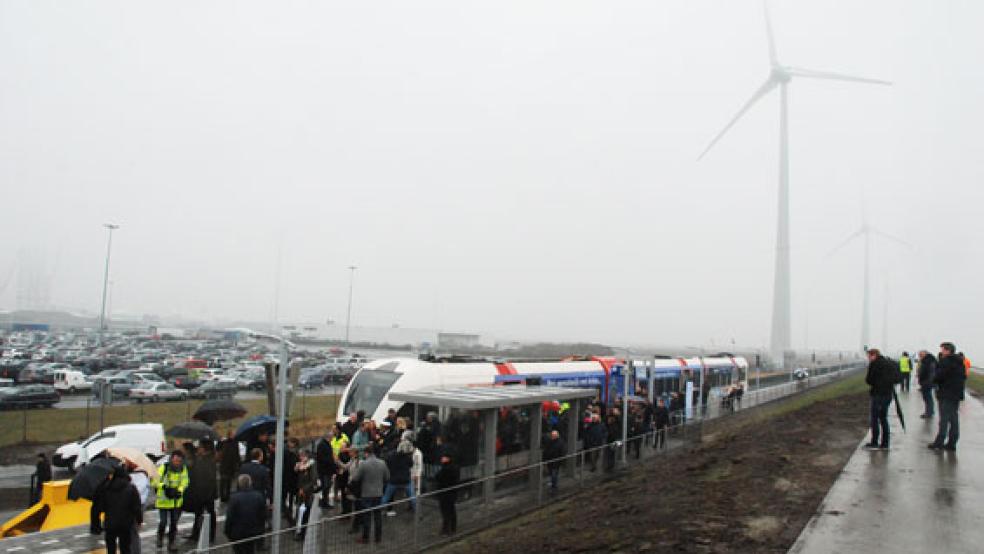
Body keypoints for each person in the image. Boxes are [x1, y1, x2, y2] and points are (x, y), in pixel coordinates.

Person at [929, 342, 966, 451]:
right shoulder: (960, 362)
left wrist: (934, 378)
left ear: (948, 350)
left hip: (946, 393)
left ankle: (939, 442)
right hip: (956, 394)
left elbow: (939, 376)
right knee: (954, 418)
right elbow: (964, 377)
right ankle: (952, 443)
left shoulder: (946, 361)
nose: (941, 351)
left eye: (943, 349)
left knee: (944, 419)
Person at [349, 445, 389, 544]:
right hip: (378, 493)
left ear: (366, 453)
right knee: (377, 516)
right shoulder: (382, 463)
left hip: (366, 494)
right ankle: (378, 537)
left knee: (367, 516)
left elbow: (356, 478)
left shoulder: (364, 464)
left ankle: (366, 537)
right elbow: (387, 477)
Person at [102, 467, 143, 554]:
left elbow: (102, 505)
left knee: (111, 548)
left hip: (110, 523)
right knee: (125, 548)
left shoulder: (106, 487)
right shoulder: (131, 488)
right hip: (125, 523)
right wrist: (139, 520)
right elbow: (136, 507)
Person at [155, 451, 190, 552]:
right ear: (171, 459)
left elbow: (185, 481)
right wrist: (164, 487)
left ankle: (171, 543)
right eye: (175, 460)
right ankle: (160, 536)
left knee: (174, 523)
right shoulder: (164, 467)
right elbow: (154, 481)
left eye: (179, 461)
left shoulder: (183, 469)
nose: (177, 463)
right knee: (163, 522)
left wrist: (179, 491)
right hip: (163, 501)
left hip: (175, 501)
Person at [864, 348, 896, 450]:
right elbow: (895, 378)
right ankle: (885, 443)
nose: (868, 358)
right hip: (888, 394)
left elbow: (869, 380)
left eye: (869, 356)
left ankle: (874, 442)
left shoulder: (874, 364)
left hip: (877, 394)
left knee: (874, 419)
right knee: (883, 418)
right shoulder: (889, 363)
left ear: (873, 355)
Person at [225, 475, 266, 554]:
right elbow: (263, 516)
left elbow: (230, 517)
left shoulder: (234, 498)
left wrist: (228, 532)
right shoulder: (258, 496)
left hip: (238, 533)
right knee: (250, 550)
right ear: (250, 483)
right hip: (253, 532)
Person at [185, 442, 217, 544]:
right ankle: (196, 534)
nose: (198, 449)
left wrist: (207, 494)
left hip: (205, 493)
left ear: (204, 449)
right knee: (199, 513)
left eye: (199, 447)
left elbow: (210, 479)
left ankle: (209, 535)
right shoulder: (201, 459)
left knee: (208, 513)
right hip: (201, 492)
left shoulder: (208, 461)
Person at [381, 439, 415, 515]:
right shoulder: (407, 457)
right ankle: (417, 511)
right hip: (405, 480)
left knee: (386, 497)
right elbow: (411, 465)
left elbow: (387, 463)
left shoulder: (391, 456)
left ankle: (377, 510)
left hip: (393, 480)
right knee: (412, 497)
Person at [293, 449, 318, 541]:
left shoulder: (312, 465)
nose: (300, 458)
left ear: (307, 456)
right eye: (300, 456)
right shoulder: (300, 465)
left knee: (305, 513)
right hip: (300, 492)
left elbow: (313, 480)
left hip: (307, 493)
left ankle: (303, 533)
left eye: (302, 456)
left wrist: (304, 489)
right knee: (300, 512)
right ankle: (299, 530)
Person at [434, 453, 459, 536]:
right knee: (451, 511)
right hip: (452, 493)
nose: (442, 459)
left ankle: (447, 530)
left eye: (444, 457)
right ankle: (452, 528)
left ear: (448, 459)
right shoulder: (455, 467)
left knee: (446, 512)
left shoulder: (445, 469)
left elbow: (438, 477)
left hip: (445, 494)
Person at [315, 428, 338, 509]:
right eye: (332, 437)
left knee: (326, 486)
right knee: (326, 486)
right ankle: (324, 502)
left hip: (327, 470)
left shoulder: (326, 444)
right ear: (328, 437)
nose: (332, 438)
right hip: (324, 470)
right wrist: (332, 464)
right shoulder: (322, 445)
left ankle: (324, 501)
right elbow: (324, 458)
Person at [218, 431, 241, 503]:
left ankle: (227, 496)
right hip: (225, 465)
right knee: (223, 482)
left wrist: (239, 463)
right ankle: (222, 497)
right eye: (232, 434)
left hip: (230, 465)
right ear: (229, 435)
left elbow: (237, 454)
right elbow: (218, 449)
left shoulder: (235, 443)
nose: (233, 436)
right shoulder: (223, 442)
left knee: (228, 482)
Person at [917, 350, 938, 418]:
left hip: (927, 383)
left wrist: (928, 382)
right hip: (926, 382)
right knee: (927, 398)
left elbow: (932, 373)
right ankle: (929, 411)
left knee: (927, 398)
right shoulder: (928, 361)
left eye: (921, 355)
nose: (920, 356)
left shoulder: (929, 362)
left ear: (925, 354)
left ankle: (929, 412)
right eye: (919, 355)